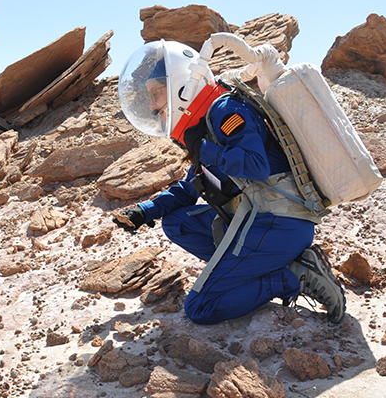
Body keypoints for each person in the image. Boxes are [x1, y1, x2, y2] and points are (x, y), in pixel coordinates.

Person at [112, 39, 346, 325]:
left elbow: (256, 166)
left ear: (180, 86)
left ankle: (293, 276)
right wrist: (144, 212)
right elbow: (192, 186)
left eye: (156, 94)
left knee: (201, 307)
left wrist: (205, 150)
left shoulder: (224, 110)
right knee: (176, 222)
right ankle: (253, 270)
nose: (151, 106)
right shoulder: (204, 124)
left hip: (279, 224)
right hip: (255, 220)